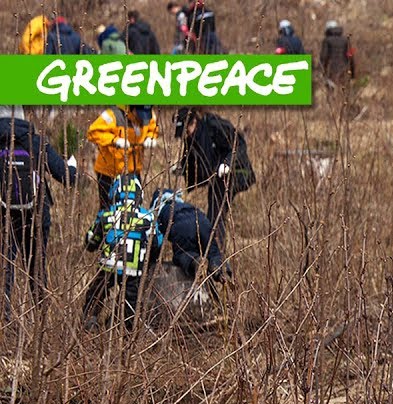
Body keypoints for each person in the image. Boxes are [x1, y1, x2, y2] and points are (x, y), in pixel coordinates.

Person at [0, 105, 76, 315]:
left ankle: (4, 321)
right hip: (36, 213)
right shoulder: (36, 142)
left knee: (5, 268)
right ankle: (41, 318)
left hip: (4, 216)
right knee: (37, 268)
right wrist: (73, 164)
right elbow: (68, 178)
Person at [82, 174, 162, 330]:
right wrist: (148, 260)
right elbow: (157, 244)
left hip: (108, 265)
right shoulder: (147, 218)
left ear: (114, 192)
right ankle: (120, 325)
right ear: (140, 195)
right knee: (130, 303)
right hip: (134, 268)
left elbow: (90, 242)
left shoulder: (107, 215)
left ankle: (90, 319)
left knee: (96, 292)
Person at [172, 108, 246, 245]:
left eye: (186, 132)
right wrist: (181, 168)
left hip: (232, 173)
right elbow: (192, 158)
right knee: (214, 213)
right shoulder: (192, 136)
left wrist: (227, 163)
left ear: (193, 122)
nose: (185, 136)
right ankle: (213, 246)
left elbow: (239, 145)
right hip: (216, 178)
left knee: (216, 215)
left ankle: (217, 252)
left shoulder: (215, 126)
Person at [87, 105, 159, 210]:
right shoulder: (112, 115)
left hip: (133, 171)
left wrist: (150, 137)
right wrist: (114, 140)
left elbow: (153, 129)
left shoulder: (148, 115)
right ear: (132, 107)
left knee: (134, 207)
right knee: (108, 209)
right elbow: (93, 132)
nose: (141, 118)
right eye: (139, 113)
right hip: (109, 172)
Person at [150, 189, 229, 283]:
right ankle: (222, 272)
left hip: (181, 224)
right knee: (213, 252)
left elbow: (157, 239)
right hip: (202, 219)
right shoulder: (183, 205)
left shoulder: (159, 212)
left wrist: (153, 259)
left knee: (183, 254)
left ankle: (195, 261)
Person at [319, 21, 357, 88]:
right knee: (343, 94)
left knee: (331, 95)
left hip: (330, 73)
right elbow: (351, 58)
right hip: (344, 72)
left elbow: (323, 58)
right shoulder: (346, 40)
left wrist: (322, 72)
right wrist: (353, 75)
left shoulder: (326, 40)